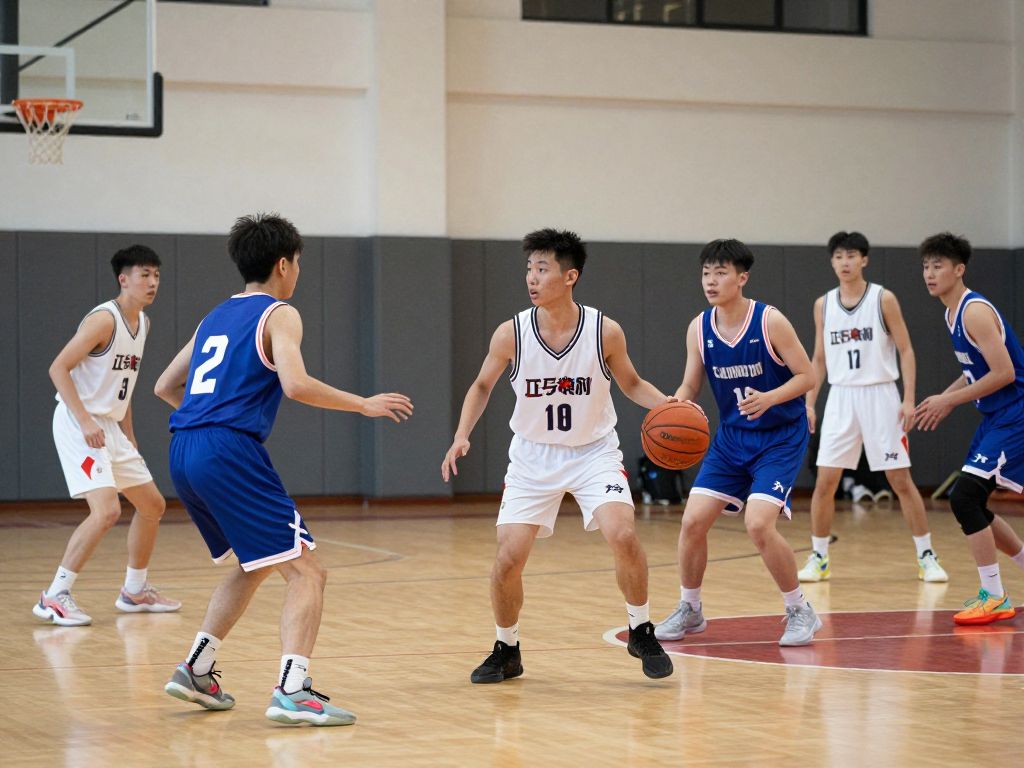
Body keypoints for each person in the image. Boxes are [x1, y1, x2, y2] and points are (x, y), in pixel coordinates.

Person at [155, 213, 413, 725]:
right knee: (307, 570)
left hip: (183, 446)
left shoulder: (214, 317)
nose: (298, 272)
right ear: (282, 265)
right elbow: (295, 385)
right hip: (227, 450)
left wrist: (206, 424)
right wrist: (363, 404)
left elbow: (165, 385)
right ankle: (294, 690)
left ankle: (197, 670)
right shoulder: (279, 314)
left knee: (257, 562)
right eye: (297, 262)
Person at [441, 228, 673, 683]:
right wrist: (461, 434)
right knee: (508, 556)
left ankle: (641, 628)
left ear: (570, 276)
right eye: (529, 268)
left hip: (593, 452)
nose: (531, 278)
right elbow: (482, 385)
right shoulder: (512, 333)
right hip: (533, 457)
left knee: (622, 533)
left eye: (542, 269)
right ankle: (507, 649)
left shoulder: (605, 330)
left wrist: (669, 406)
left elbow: (630, 383)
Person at [655, 239, 821, 646]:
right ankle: (691, 609)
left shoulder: (770, 322)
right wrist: (677, 404)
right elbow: (691, 382)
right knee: (692, 521)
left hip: (779, 438)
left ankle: (800, 609)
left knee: (758, 524)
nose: (711, 281)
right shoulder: (699, 327)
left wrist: (770, 398)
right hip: (731, 440)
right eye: (706, 273)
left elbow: (808, 376)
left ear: (742, 278)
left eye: (721, 273)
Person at [34, 245, 178, 627]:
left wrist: (128, 436)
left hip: (109, 426)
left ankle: (134, 591)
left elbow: (122, 388)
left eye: (157, 276)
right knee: (108, 510)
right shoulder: (104, 320)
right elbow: (58, 368)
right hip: (78, 422)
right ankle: (54, 595)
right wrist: (84, 422)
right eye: (145, 275)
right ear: (123, 279)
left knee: (152, 505)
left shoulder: (143, 323)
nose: (152, 283)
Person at [799, 231, 947, 583]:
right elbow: (818, 358)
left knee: (900, 479)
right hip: (841, 396)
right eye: (838, 256)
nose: (844, 262)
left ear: (864, 259)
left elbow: (906, 350)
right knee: (825, 481)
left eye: (851, 255)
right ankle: (819, 556)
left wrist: (909, 398)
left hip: (881, 394)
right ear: (832, 261)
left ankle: (926, 554)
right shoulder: (824, 304)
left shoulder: (883, 299)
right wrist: (809, 401)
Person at [916, 232, 1024, 625]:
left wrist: (948, 402)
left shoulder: (974, 311)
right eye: (926, 265)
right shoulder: (951, 312)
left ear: (959, 270)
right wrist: (944, 398)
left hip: (1015, 412)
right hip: (997, 416)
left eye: (938, 266)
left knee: (964, 498)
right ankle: (995, 593)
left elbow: (1005, 372)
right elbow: (973, 371)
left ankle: (993, 595)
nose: (929, 273)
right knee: (972, 501)